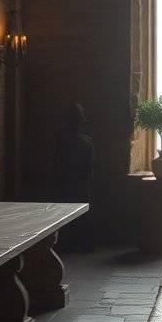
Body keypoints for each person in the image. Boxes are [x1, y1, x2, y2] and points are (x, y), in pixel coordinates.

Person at [54, 103, 94, 250]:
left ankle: (66, 243)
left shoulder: (61, 137)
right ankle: (83, 244)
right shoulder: (87, 140)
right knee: (83, 214)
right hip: (81, 181)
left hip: (66, 181)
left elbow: (57, 161)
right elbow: (90, 164)